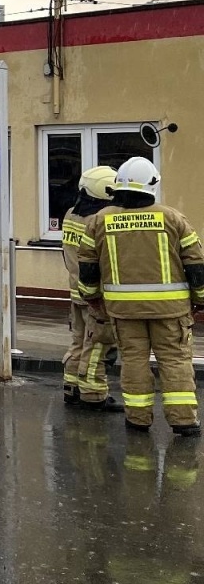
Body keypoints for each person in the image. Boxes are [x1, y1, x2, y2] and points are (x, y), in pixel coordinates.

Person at [75, 156, 204, 436]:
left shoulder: (99, 220)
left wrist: (93, 298)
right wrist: (200, 300)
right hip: (171, 311)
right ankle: (183, 420)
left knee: (134, 361)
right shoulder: (173, 218)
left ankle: (138, 418)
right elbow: (196, 265)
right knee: (175, 361)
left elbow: (87, 267)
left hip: (123, 311)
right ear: (152, 185)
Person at [61, 166, 119, 408]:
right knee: (98, 345)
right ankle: (93, 395)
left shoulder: (70, 214)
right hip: (97, 294)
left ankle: (72, 387)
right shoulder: (98, 221)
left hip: (77, 291)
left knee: (79, 342)